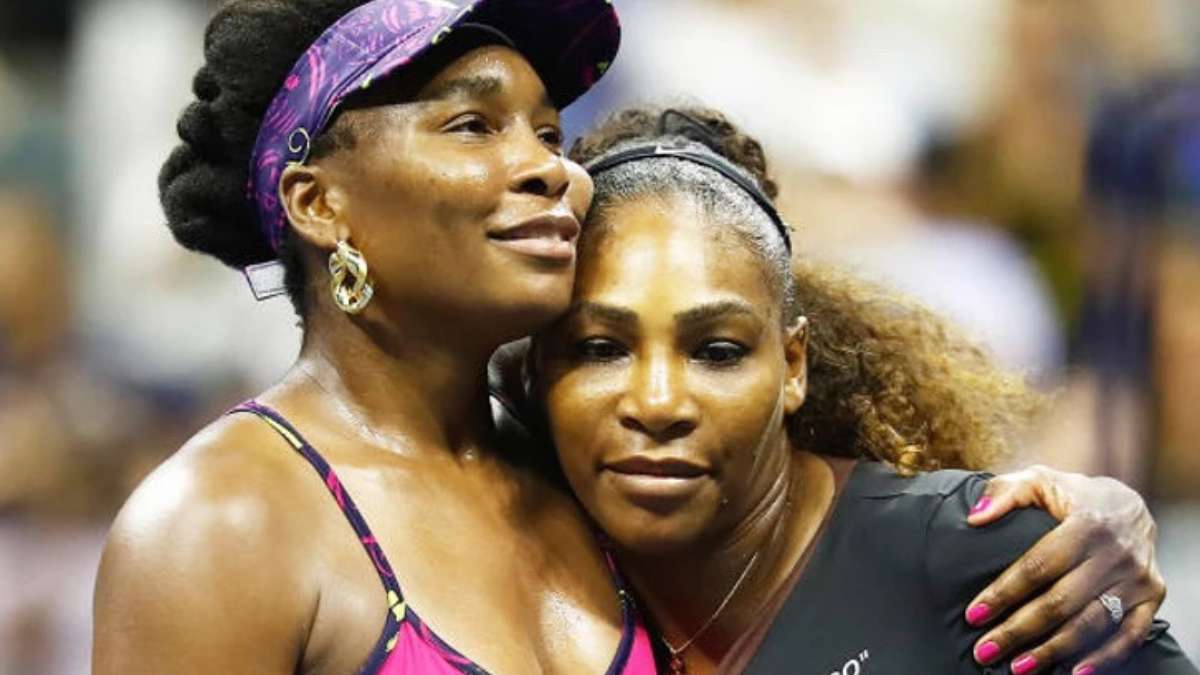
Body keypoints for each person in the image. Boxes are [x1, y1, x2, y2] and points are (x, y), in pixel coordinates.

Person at [93, 1, 1169, 673]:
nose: (547, 168)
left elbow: (831, 536)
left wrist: (1082, 518)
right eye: (473, 124)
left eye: (547, 131)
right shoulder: (221, 524)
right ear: (320, 203)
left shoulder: (587, 470)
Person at [531, 105, 1196, 674]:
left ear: (793, 365)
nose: (656, 403)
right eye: (600, 349)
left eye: (717, 352)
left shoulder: (1002, 563)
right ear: (533, 369)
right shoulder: (512, 571)